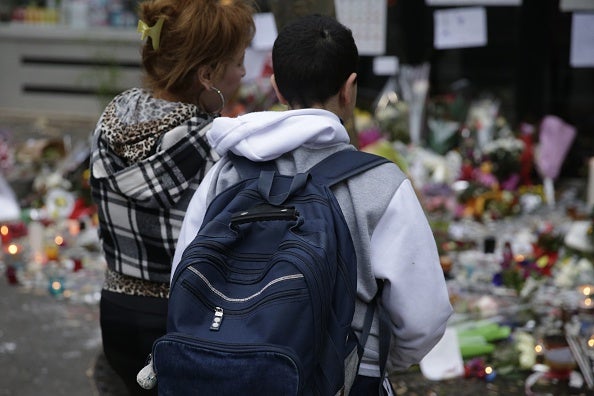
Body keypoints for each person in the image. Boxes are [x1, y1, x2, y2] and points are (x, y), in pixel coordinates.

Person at [171, 13, 453, 395]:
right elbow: (425, 318)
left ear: (277, 88)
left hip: (225, 376)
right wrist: (371, 361)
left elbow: (181, 278)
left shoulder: (226, 172)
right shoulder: (382, 184)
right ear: (349, 89)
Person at [89, 0, 256, 393]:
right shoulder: (217, 148)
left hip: (116, 312)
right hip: (184, 319)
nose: (245, 72)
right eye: (237, 62)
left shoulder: (112, 118)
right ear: (207, 75)